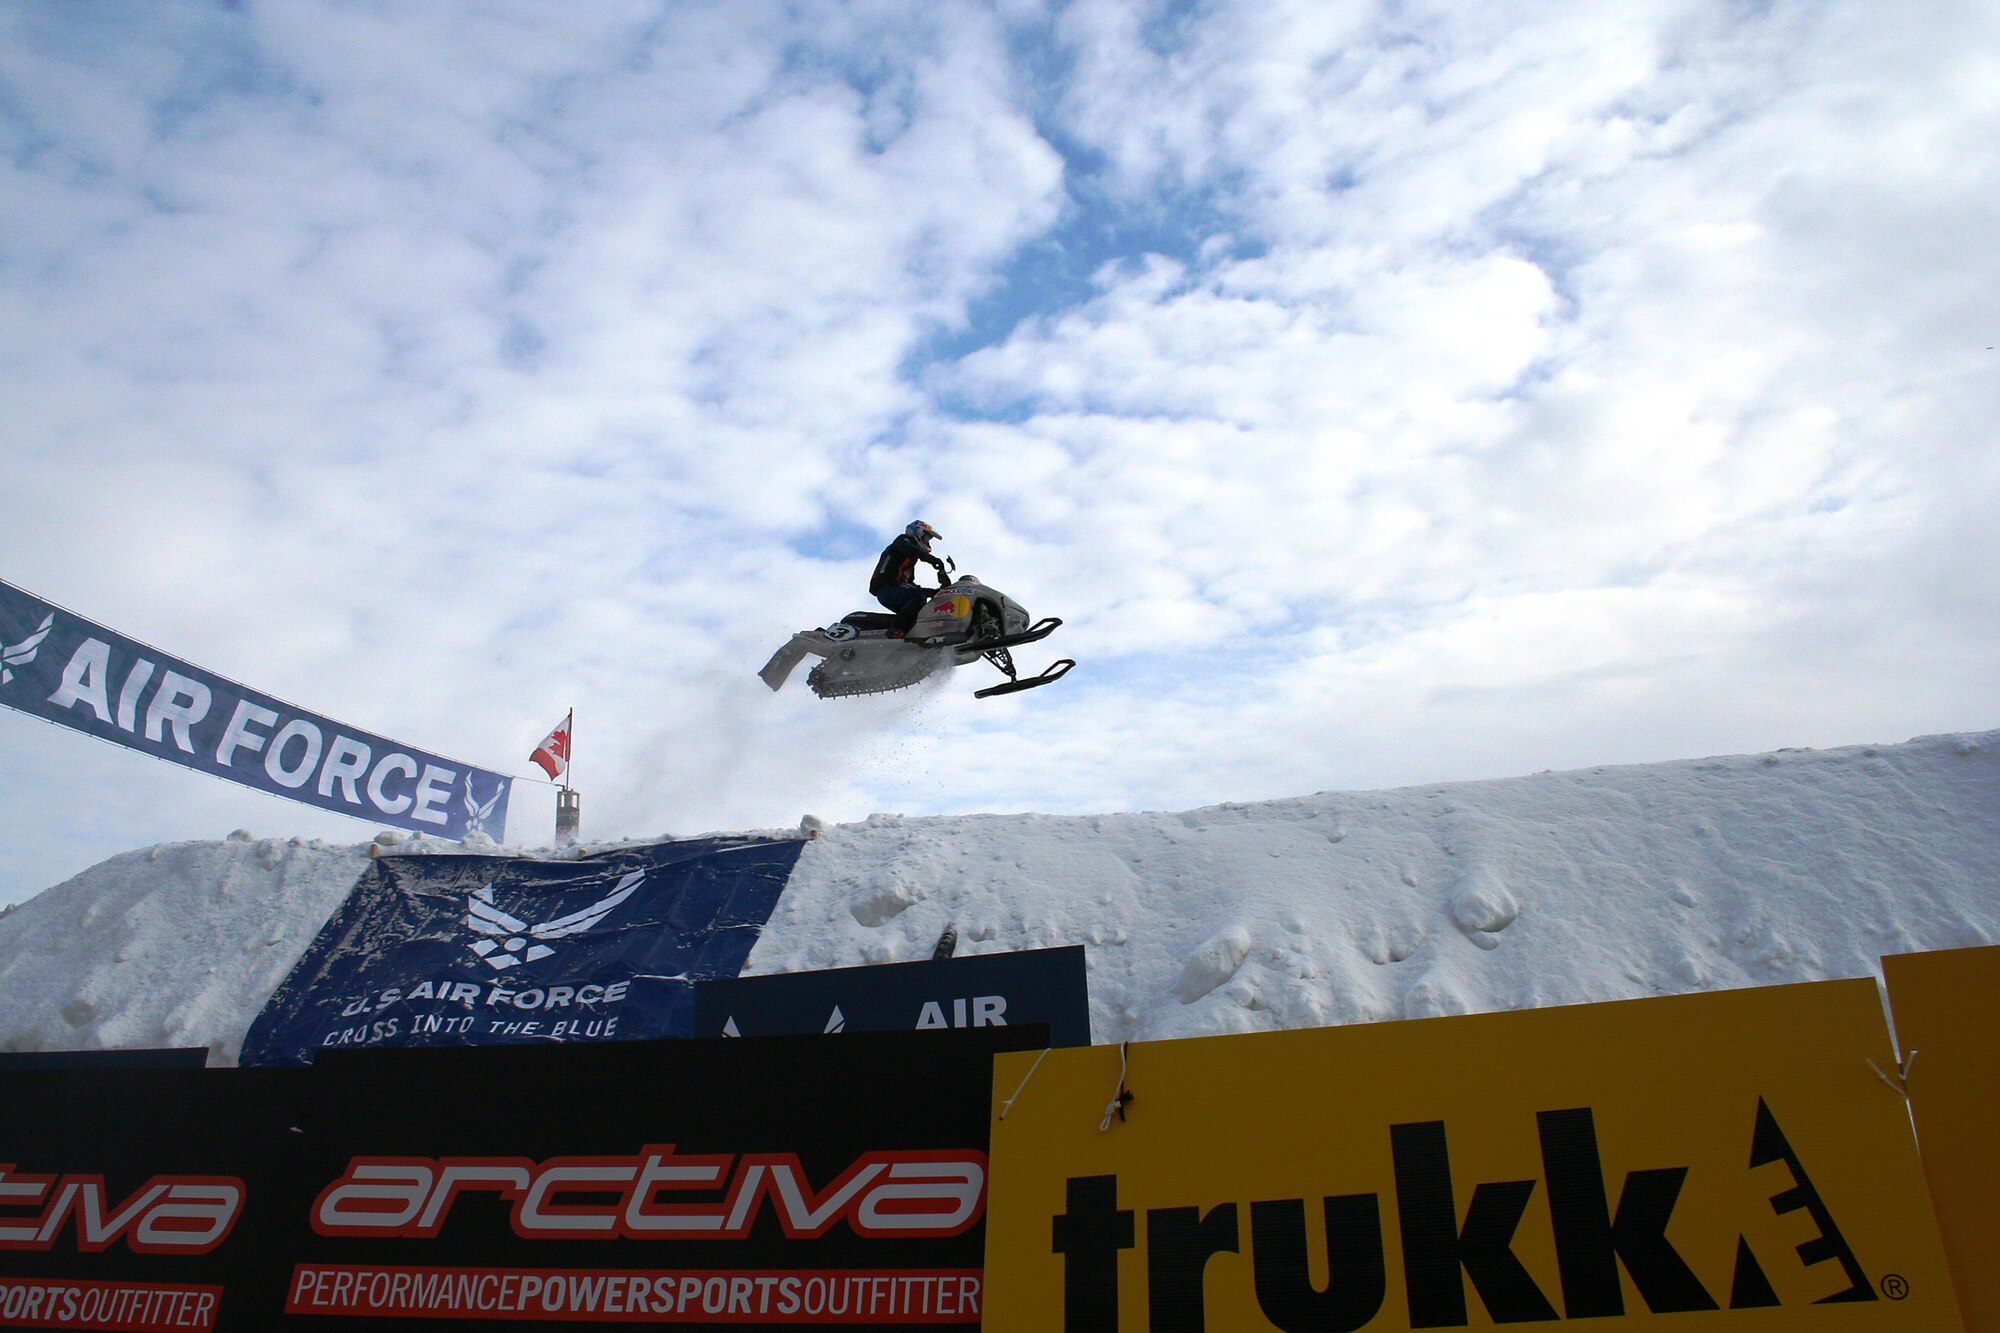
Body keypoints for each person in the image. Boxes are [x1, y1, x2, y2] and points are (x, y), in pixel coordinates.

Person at [870, 520, 948, 627]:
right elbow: (909, 548)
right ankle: (897, 629)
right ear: (918, 532)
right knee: (918, 597)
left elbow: (910, 585)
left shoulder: (909, 561)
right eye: (927, 538)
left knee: (923, 610)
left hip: (893, 590)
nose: (927, 542)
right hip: (886, 589)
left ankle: (909, 633)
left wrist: (935, 592)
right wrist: (931, 559)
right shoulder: (902, 541)